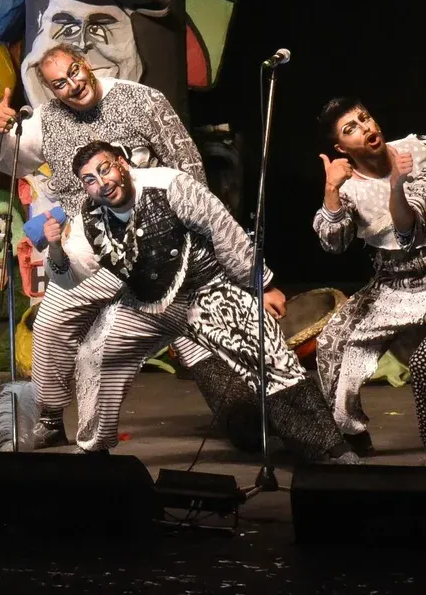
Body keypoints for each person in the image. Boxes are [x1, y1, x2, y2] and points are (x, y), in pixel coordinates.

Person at [0, 42, 225, 447]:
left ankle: (240, 408)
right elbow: (1, 158)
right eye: (59, 83)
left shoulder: (142, 100)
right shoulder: (48, 119)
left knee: (194, 326)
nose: (72, 85)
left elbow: (188, 166)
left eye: (74, 71)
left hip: (156, 238)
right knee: (51, 323)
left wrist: (200, 237)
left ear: (85, 64)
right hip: (89, 244)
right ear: (51, 91)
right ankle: (50, 420)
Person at [41, 141, 357, 462]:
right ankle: (94, 450)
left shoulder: (169, 184)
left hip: (206, 291)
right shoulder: (90, 217)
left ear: (122, 164)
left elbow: (223, 229)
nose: (102, 182)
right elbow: (71, 275)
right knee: (95, 355)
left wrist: (262, 284)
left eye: (105, 169)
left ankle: (329, 448)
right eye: (90, 179)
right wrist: (55, 248)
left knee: (269, 354)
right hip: (146, 305)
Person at [313, 98, 426, 455]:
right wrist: (331, 191)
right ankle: (352, 434)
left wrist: (398, 184)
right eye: (351, 129)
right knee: (335, 342)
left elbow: (408, 230)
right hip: (394, 284)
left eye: (364, 119)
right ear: (341, 148)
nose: (365, 128)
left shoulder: (416, 151)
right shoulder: (348, 188)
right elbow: (333, 245)